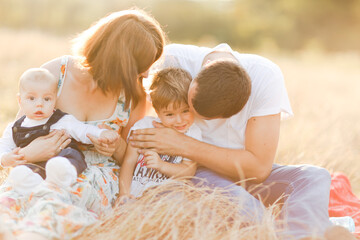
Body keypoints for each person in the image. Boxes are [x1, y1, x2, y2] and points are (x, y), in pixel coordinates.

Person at [129, 43, 355, 240]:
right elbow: (134, 115)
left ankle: (303, 235)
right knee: (251, 213)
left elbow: (258, 169)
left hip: (246, 172)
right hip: (197, 171)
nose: (190, 116)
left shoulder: (265, 77)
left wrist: (181, 144)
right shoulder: (173, 60)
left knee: (314, 176)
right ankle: (313, 231)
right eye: (190, 104)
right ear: (199, 75)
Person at [0, 9, 165, 240]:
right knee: (9, 203)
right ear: (121, 62)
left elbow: (132, 159)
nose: (147, 73)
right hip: (38, 164)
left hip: (93, 175)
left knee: (54, 205)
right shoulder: (56, 73)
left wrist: (115, 147)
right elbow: (21, 128)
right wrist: (28, 153)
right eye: (142, 65)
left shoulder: (134, 96)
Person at [0, 68, 119, 195]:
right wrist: (5, 159)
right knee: (23, 172)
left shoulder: (62, 120)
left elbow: (82, 130)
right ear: (20, 101)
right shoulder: (14, 128)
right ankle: (31, 182)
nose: (39, 104)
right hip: (36, 168)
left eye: (46, 99)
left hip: (63, 160)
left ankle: (62, 174)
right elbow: (4, 146)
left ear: (54, 100)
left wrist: (102, 134)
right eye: (32, 98)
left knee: (69, 155)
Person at [118, 68, 201, 199]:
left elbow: (188, 171)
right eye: (170, 114)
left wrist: (161, 165)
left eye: (185, 111)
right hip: (135, 193)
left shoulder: (193, 133)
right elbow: (129, 161)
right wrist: (123, 194)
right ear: (157, 111)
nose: (179, 121)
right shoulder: (143, 127)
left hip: (167, 199)